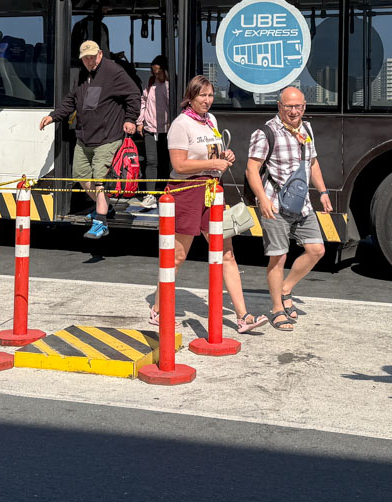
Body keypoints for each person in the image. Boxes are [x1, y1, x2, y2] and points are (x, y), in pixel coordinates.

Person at [164, 75, 266, 333]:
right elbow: (179, 165)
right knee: (177, 255)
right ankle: (158, 309)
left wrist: (223, 156)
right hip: (186, 190)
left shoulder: (211, 121)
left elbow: (211, 156)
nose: (207, 101)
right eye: (202, 96)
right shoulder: (181, 124)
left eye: (210, 96)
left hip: (212, 190)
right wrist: (212, 163)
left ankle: (243, 316)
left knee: (226, 253)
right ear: (191, 96)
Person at [246, 85, 332, 331]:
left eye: (299, 106)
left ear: (304, 106)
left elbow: (312, 162)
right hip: (274, 203)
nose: (294, 111)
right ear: (279, 106)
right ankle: (277, 309)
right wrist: (262, 199)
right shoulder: (266, 133)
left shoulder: (306, 128)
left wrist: (323, 192)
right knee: (279, 256)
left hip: (302, 204)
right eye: (289, 107)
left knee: (316, 249)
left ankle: (286, 288)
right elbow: (251, 170)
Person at [40, 40, 141, 240]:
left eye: (92, 57)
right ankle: (105, 208)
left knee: (100, 180)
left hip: (107, 137)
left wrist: (130, 119)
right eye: (85, 58)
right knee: (80, 174)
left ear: (100, 54)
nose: (89, 61)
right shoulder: (82, 74)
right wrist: (54, 116)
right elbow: (72, 100)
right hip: (85, 138)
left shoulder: (114, 71)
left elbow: (134, 94)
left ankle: (101, 222)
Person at [133, 54, 171, 210]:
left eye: (159, 72)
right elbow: (143, 102)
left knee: (165, 162)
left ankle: (163, 193)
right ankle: (150, 195)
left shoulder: (171, 85)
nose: (156, 75)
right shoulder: (150, 83)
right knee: (151, 161)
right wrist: (140, 122)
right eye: (154, 72)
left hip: (167, 129)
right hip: (150, 128)